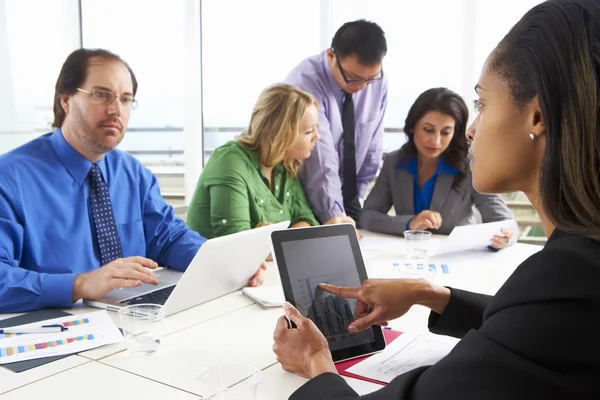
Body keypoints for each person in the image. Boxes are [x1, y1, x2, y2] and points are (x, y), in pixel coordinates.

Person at [272, 0, 600, 398]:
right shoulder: (576, 267)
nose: (470, 131)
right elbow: (529, 322)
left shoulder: (565, 281)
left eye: (482, 103)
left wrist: (315, 363)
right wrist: (429, 294)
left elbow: (535, 325)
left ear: (538, 115)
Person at [0, 48, 264, 313]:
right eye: (102, 95)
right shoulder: (10, 178)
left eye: (126, 99)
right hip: (52, 327)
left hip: (133, 317)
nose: (116, 110)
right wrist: (80, 284)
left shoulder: (133, 173)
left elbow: (168, 237)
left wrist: (224, 263)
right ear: (65, 100)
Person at [186, 83, 354, 240]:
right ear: (280, 133)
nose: (317, 136)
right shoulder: (229, 163)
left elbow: (306, 220)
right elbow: (239, 247)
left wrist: (273, 240)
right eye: (309, 131)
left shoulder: (285, 163)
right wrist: (290, 239)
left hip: (264, 269)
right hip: (214, 270)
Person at [361, 87, 516, 249]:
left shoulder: (471, 164)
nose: (435, 141)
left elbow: (504, 222)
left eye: (445, 132)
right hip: (411, 255)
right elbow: (367, 216)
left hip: (460, 257)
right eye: (428, 130)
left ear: (454, 133)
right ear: (413, 126)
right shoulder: (394, 162)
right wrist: (409, 223)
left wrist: (504, 237)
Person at [284, 20, 388, 226]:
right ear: (331, 56)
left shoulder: (378, 80)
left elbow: (373, 144)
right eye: (353, 78)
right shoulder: (303, 83)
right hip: (306, 195)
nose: (362, 86)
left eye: (370, 79)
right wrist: (335, 214)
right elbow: (320, 160)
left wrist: (355, 199)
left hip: (346, 196)